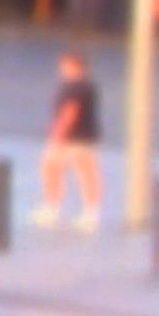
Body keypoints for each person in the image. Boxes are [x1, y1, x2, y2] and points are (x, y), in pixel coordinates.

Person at [30, 51, 102, 233]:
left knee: (59, 168)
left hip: (73, 137)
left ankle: (56, 208)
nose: (61, 69)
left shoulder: (75, 87)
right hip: (83, 136)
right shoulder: (86, 85)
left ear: (73, 66)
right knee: (79, 171)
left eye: (64, 66)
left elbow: (70, 112)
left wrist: (57, 135)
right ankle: (86, 211)